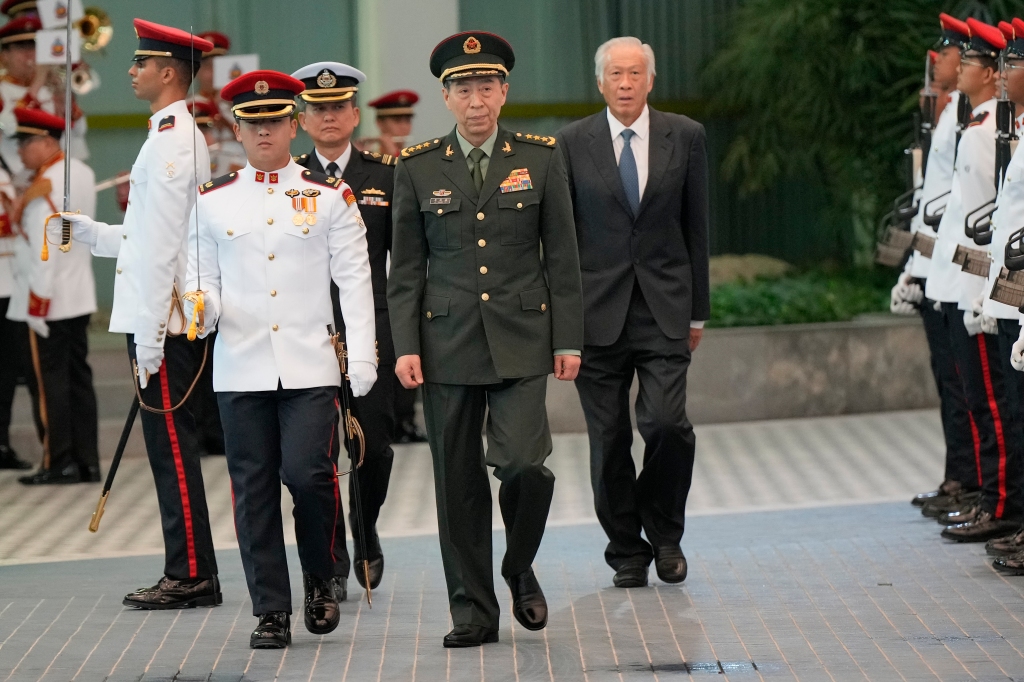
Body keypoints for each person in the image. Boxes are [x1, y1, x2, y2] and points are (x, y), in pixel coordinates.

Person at [389, 31, 584, 647]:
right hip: (445, 343)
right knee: (458, 485)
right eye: (462, 88)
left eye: (486, 86)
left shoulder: (542, 157)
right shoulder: (418, 166)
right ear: (445, 97)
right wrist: (405, 345)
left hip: (524, 337)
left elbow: (564, 256)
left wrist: (569, 339)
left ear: (504, 91)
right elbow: (406, 269)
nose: (476, 100)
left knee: (526, 466)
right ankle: (472, 612)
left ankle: (517, 564)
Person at [185, 70, 376, 649]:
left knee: (308, 474)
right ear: (237, 131)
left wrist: (362, 357)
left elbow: (355, 279)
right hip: (239, 367)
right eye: (252, 123)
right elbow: (202, 276)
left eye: (273, 121)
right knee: (254, 491)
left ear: (292, 125)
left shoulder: (327, 196)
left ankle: (321, 576)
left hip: (309, 365)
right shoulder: (213, 201)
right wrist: (202, 304)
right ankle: (271, 608)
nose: (263, 131)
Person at [60, 19, 221, 610]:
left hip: (167, 320)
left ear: (169, 72)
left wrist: (152, 336)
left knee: (173, 448)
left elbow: (163, 248)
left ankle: (192, 574)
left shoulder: (175, 140)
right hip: (159, 315)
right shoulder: (165, 134)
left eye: (140, 62)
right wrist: (94, 234)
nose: (131, 71)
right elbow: (149, 234)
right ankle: (190, 567)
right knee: (167, 447)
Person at [558, 36, 709, 589]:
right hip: (595, 315)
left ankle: (665, 534)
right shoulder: (571, 143)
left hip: (665, 308)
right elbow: (563, 238)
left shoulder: (685, 136)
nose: (625, 83)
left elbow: (697, 227)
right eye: (615, 74)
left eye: (634, 73)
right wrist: (563, 326)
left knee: (668, 425)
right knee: (609, 438)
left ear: (650, 81)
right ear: (599, 83)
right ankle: (626, 548)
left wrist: (698, 313)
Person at [292, 60, 397, 601]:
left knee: (375, 449)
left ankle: (366, 525)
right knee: (315, 458)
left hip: (369, 332)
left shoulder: (384, 177)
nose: (329, 117)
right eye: (317, 109)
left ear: (354, 114)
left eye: (338, 107)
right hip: (307, 332)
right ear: (302, 120)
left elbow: (402, 263)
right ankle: (330, 560)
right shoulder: (290, 179)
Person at [924, 17, 1022, 542]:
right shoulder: (979, 129)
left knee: (993, 405)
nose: (1005, 72)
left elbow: (992, 224)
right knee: (977, 398)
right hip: (965, 284)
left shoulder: (991, 134)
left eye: (1009, 63)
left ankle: (999, 501)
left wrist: (984, 290)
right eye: (1001, 62)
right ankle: (989, 495)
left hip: (987, 290)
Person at [899, 15, 980, 513]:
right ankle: (962, 475)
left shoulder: (975, 117)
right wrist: (916, 263)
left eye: (951, 54)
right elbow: (933, 198)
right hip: (939, 266)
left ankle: (977, 483)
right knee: (951, 379)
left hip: (962, 271)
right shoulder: (950, 112)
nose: (940, 61)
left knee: (970, 386)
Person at [8, 108, 98, 485]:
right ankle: (86, 461)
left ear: (46, 142)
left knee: (50, 385)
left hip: (48, 298)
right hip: (79, 293)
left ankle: (57, 460)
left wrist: (37, 307)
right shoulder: (82, 171)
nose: (21, 153)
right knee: (78, 379)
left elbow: (45, 249)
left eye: (26, 144)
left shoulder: (45, 185)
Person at [0, 16, 88, 186]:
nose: (30, 54)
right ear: (4, 56)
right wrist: (37, 83)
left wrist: (65, 101)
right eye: (21, 48)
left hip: (54, 178)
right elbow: (9, 127)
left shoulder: (49, 88)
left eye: (34, 46)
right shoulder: (2, 89)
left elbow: (79, 132)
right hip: (14, 182)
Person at [359, 89, 418, 159]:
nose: (404, 127)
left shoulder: (416, 158)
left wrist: (394, 155)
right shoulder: (368, 158)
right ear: (379, 123)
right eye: (397, 121)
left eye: (408, 121)